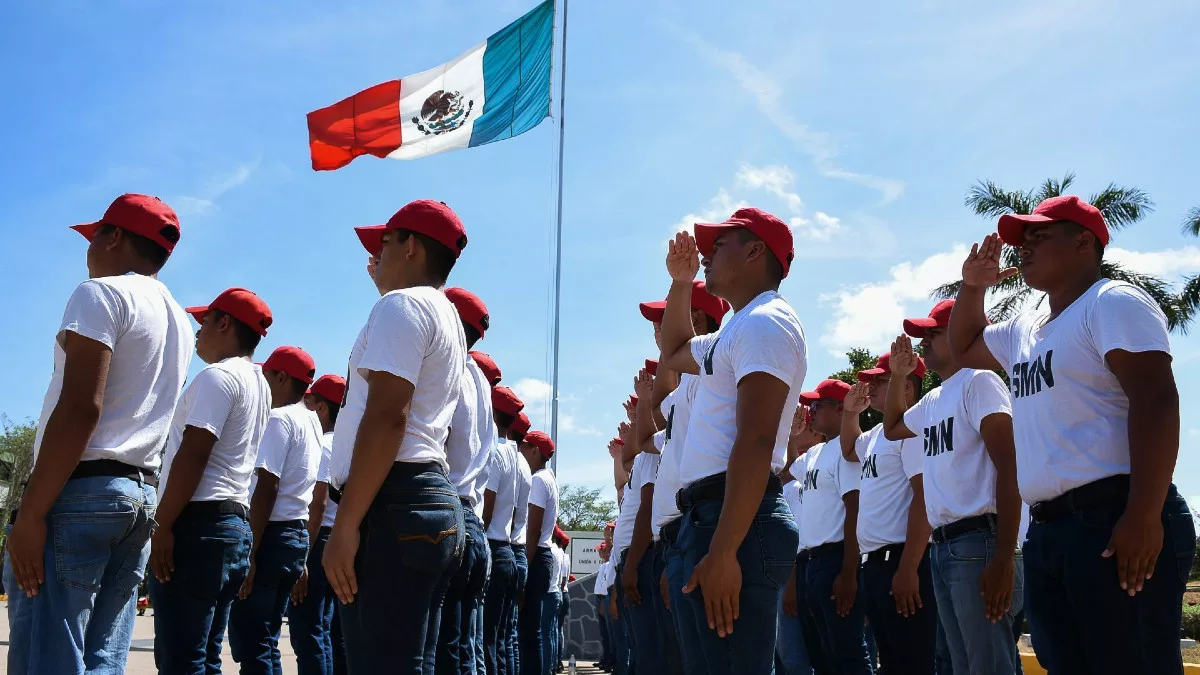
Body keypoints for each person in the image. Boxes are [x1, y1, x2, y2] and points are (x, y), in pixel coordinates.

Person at [947, 196, 1197, 674]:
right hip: (1050, 529)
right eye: (1023, 239)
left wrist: (1143, 515)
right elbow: (962, 348)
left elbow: (1157, 401)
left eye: (1039, 236)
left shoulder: (1111, 301)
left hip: (1113, 514)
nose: (1024, 248)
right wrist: (973, 287)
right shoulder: (1026, 326)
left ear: (1084, 242)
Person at [4, 194, 191, 675]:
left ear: (113, 237)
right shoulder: (178, 320)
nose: (89, 253)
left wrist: (32, 514)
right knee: (103, 656)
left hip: (81, 492)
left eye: (94, 238)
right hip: (139, 494)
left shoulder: (101, 294)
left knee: (49, 656)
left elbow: (81, 406)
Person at [657, 208, 805, 674]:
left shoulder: (767, 323)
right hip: (713, 518)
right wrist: (682, 284)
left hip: (737, 520)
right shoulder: (737, 328)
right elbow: (675, 349)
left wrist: (723, 551)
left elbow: (758, 441)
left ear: (756, 251)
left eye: (720, 243)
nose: (706, 253)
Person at [324, 199, 470, 673]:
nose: (375, 256)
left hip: (392, 501)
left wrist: (344, 526)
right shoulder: (442, 313)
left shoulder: (401, 306)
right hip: (421, 497)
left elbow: (388, 417)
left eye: (384, 243)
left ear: (411, 247)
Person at [881, 300, 1023, 675]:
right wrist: (898, 376)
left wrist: (1004, 557)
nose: (924, 340)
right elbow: (892, 426)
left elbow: (1010, 468)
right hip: (946, 547)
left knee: (987, 667)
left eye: (934, 332)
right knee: (965, 667)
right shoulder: (934, 399)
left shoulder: (981, 381)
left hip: (980, 543)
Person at [149, 287, 273, 673]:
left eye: (203, 321)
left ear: (224, 323)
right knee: (204, 655)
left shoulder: (218, 377)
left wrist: (162, 524)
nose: (198, 331)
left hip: (198, 526)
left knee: (180, 658)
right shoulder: (260, 383)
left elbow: (195, 452)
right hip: (231, 524)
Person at [638, 280, 729, 675]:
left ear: (698, 318)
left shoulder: (713, 369)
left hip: (705, 524)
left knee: (714, 658)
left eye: (670, 317)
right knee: (689, 658)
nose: (661, 327)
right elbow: (651, 426)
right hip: (683, 534)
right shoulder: (687, 384)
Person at [840, 355, 937, 675]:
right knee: (893, 661)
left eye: (879, 381)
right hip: (877, 564)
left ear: (906, 386)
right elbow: (850, 449)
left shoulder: (910, 428)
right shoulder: (879, 434)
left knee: (912, 661)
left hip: (903, 560)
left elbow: (923, 497)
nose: (869, 387)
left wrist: (908, 568)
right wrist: (851, 413)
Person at [230, 346, 323, 675]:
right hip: (292, 534)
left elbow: (267, 487)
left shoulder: (278, 419)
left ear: (282, 377)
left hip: (271, 536)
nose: (262, 384)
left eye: (267, 376)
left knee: (253, 640)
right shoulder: (311, 422)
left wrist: (250, 552)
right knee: (266, 638)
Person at [793, 379, 873, 675]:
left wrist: (849, 573)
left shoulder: (847, 452)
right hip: (811, 564)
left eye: (817, 405)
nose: (810, 412)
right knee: (821, 654)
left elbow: (855, 510)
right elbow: (784, 472)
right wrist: (791, 435)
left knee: (847, 653)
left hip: (837, 559)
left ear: (841, 409)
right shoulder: (816, 453)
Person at [439, 287, 497, 675]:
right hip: (471, 521)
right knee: (462, 649)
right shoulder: (479, 380)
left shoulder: (450, 367)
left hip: (447, 512)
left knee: (440, 650)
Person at [289, 374, 348, 675]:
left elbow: (318, 504)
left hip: (319, 540)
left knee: (309, 632)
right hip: (343, 540)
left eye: (312, 402)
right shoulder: (350, 445)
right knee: (332, 633)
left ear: (323, 408)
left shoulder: (324, 444)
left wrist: (302, 557)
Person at [483, 382, 524, 675]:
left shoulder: (496, 451)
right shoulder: (514, 454)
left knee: (485, 642)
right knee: (498, 640)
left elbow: (486, 506)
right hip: (506, 549)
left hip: (494, 547)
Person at [519, 430, 560, 675]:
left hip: (535, 557)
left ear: (535, 451)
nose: (521, 451)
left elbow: (532, 530)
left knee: (527, 633)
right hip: (541, 558)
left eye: (525, 447)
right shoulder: (548, 478)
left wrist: (523, 571)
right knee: (531, 632)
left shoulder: (538, 480)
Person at [509, 411, 533, 675]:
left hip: (505, 544)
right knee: (508, 636)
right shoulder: (524, 468)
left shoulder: (503, 454)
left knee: (491, 637)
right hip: (515, 549)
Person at [593, 542, 615, 672]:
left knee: (608, 634)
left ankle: (609, 660)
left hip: (604, 598)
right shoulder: (603, 565)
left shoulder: (607, 565)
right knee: (604, 633)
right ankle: (605, 658)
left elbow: (605, 586)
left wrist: (602, 600)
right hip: (601, 598)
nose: (599, 553)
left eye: (601, 550)